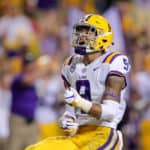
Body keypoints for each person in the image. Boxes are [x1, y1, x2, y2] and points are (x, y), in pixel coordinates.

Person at [25, 14, 131, 150]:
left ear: (102, 36)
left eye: (87, 32)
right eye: (80, 32)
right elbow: (71, 111)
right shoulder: (71, 65)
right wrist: (68, 121)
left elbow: (110, 112)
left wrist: (80, 102)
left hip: (103, 134)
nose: (81, 36)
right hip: (79, 135)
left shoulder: (112, 62)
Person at [8, 53, 39, 150]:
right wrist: (42, 70)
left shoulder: (36, 80)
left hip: (31, 122)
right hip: (18, 122)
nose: (31, 66)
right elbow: (28, 81)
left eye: (32, 64)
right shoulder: (18, 78)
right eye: (28, 64)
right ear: (24, 66)